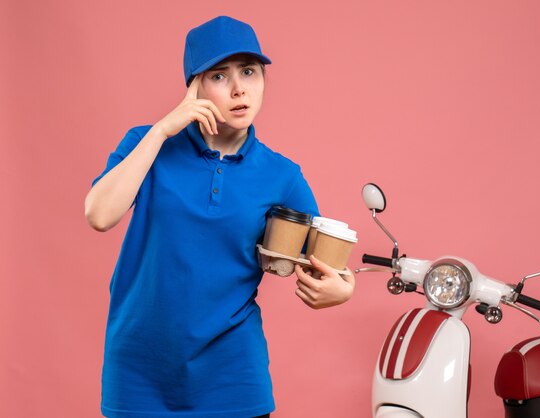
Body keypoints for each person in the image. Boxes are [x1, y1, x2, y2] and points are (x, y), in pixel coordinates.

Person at [84, 16, 356, 418]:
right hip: (139, 370)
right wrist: (160, 131)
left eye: (249, 72)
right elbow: (99, 215)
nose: (238, 88)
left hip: (233, 376)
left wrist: (342, 290)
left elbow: (321, 264)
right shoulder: (147, 144)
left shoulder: (281, 175)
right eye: (219, 75)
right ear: (194, 87)